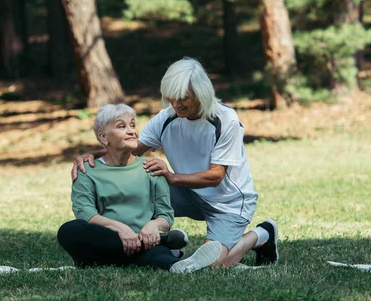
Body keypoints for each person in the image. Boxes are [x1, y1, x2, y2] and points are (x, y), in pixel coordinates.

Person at [72, 57, 279, 268]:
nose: (175, 104)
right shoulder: (167, 118)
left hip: (228, 202)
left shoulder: (226, 120)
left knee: (212, 265)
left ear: (201, 93)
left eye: (182, 98)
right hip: (186, 193)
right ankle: (162, 243)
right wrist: (93, 154)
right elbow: (133, 147)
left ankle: (262, 235)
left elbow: (216, 176)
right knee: (140, 189)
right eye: (170, 98)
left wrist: (172, 177)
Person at [58, 103, 223, 272]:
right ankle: (165, 246)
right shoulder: (87, 170)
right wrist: (121, 229)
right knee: (69, 230)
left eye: (132, 125)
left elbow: (165, 215)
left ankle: (180, 265)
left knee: (159, 258)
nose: (131, 131)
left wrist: (153, 226)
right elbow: (85, 213)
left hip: (146, 241)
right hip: (105, 242)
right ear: (103, 137)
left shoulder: (151, 168)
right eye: (122, 126)